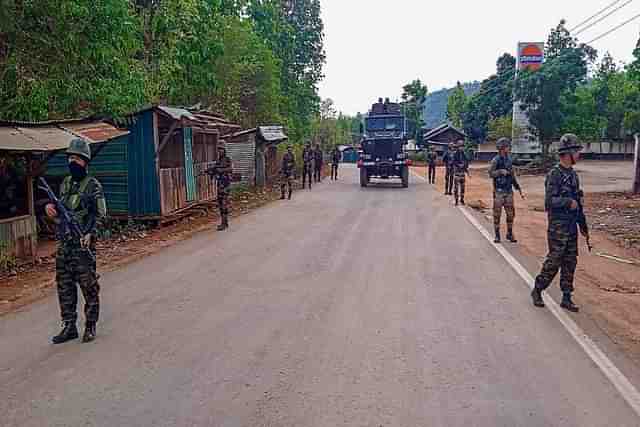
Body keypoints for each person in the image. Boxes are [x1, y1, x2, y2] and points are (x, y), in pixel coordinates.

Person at [44, 138, 107, 344]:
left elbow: (101, 215)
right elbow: (59, 213)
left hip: (82, 245)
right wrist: (50, 210)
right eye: (70, 157)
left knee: (89, 286)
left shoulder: (93, 186)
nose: (73, 162)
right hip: (65, 246)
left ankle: (90, 325)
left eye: (77, 158)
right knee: (64, 286)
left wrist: (91, 234)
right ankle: (69, 325)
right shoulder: (64, 184)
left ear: (85, 161)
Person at [531, 134, 590, 313]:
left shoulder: (573, 176)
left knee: (570, 261)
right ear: (567, 153)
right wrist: (567, 202)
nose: (579, 154)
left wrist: (583, 226)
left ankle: (566, 297)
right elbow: (549, 203)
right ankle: (538, 289)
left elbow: (578, 204)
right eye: (577, 151)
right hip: (558, 227)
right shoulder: (554, 175)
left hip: (571, 226)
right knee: (554, 260)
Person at [488, 138, 525, 243]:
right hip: (499, 191)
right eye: (507, 146)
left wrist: (517, 186)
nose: (509, 148)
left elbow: (512, 174)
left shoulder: (509, 159)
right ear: (502, 148)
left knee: (510, 214)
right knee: (497, 214)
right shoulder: (495, 160)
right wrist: (500, 171)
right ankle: (497, 235)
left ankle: (509, 233)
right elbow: (490, 173)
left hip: (508, 191)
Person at [213, 146, 233, 231]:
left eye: (221, 149)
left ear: (224, 150)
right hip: (220, 185)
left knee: (224, 204)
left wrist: (220, 170)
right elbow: (215, 171)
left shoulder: (228, 159)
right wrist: (212, 172)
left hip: (226, 185)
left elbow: (231, 169)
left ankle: (224, 223)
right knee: (220, 204)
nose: (220, 151)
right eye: (218, 150)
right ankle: (224, 222)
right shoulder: (218, 161)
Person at [0, 153, 19, 218]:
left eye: (2, 158)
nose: (2, 160)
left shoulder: (11, 170)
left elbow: (16, 184)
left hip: (10, 202)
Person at [452, 140, 470, 206]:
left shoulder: (464, 154)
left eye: (462, 146)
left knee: (463, 188)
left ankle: (462, 199)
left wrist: (464, 165)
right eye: (460, 146)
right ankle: (456, 200)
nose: (461, 148)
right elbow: (453, 162)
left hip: (462, 173)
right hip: (457, 173)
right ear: (457, 146)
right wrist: (458, 165)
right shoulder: (454, 154)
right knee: (456, 188)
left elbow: (467, 162)